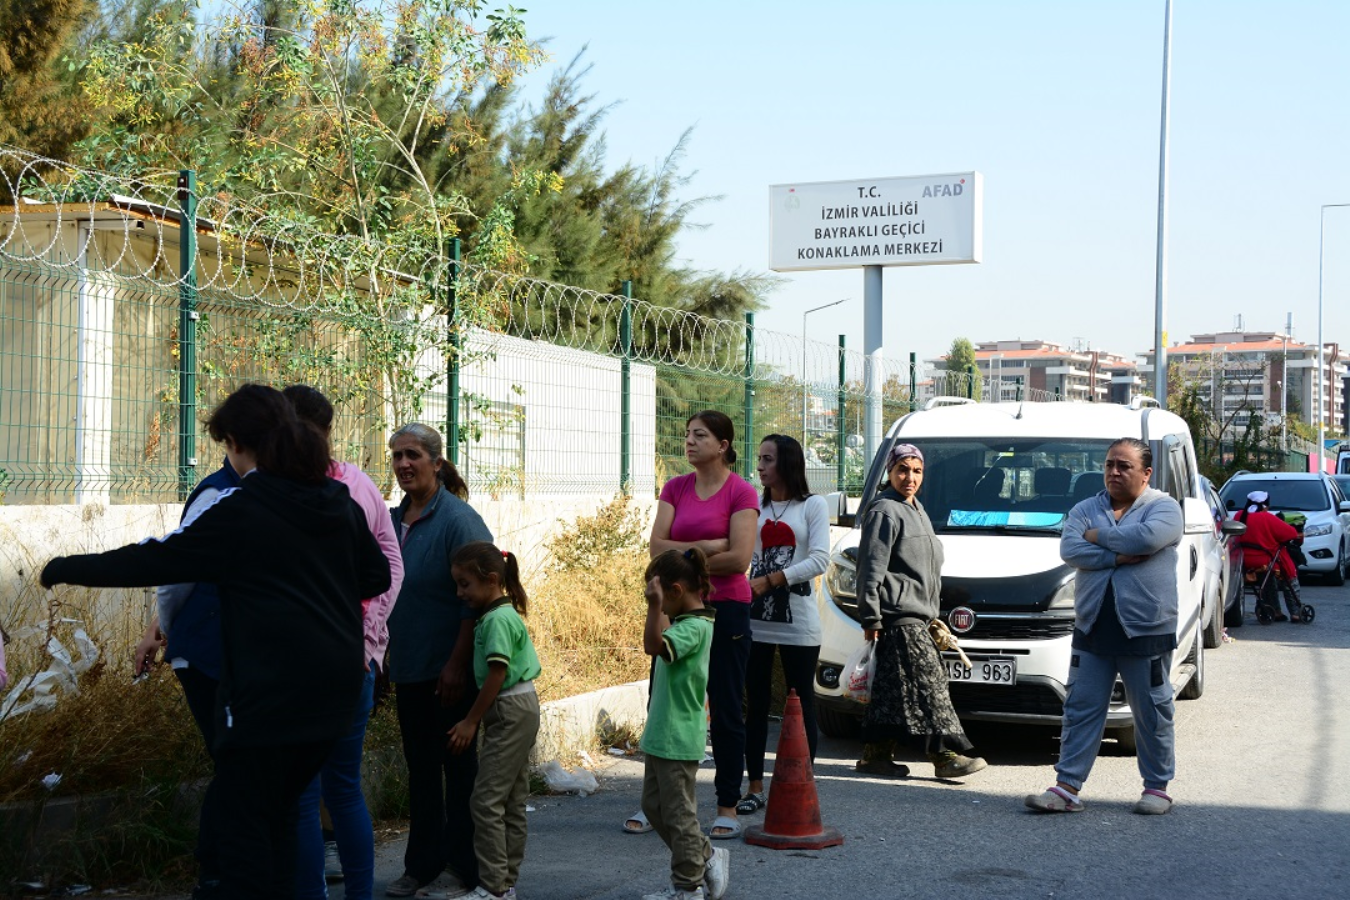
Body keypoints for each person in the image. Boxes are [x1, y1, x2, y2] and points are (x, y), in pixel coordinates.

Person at [40, 383, 391, 898]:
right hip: (334, 697)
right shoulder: (335, 500)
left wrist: (64, 567)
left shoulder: (243, 509)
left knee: (247, 830)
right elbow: (375, 577)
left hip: (267, 700)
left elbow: (157, 558)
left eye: (227, 444)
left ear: (239, 443)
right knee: (280, 819)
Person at [286, 386, 406, 900]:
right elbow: (390, 564)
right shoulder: (357, 483)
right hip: (355, 662)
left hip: (305, 667)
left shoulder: (277, 488)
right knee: (343, 788)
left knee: (305, 794)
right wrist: (370, 637)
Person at [1025, 437, 1183, 816]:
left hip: (1145, 628)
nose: (1114, 471)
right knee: (1081, 707)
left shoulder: (1164, 508)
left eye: (1124, 466)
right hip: (1093, 626)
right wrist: (1117, 556)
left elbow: (1146, 538)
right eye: (1110, 464)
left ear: (1146, 473)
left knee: (1151, 711)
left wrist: (1097, 538)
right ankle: (1066, 788)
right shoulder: (1085, 507)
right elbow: (1070, 549)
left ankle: (1157, 788)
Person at [633, 410, 758, 841]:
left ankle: (726, 804)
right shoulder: (675, 487)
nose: (689, 442)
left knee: (725, 705)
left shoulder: (741, 492)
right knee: (661, 698)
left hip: (728, 610)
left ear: (723, 445)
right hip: (678, 607)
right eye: (687, 434)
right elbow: (657, 552)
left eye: (699, 435)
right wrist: (706, 547)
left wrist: (683, 556)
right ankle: (656, 802)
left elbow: (740, 559)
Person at [385, 423, 493, 898]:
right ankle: (421, 866)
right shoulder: (392, 519)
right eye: (396, 456)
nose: (404, 464)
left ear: (436, 461)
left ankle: (464, 867)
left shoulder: (457, 520)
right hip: (407, 667)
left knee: (459, 771)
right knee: (421, 770)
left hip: (449, 672)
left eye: (412, 455)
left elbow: (477, 598)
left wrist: (455, 664)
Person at [131, 454, 241, 900]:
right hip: (206, 652)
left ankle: (230, 870)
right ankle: (214, 875)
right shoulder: (217, 493)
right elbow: (177, 572)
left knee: (239, 762)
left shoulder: (261, 488)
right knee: (232, 761)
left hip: (228, 652)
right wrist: (166, 632)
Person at [855, 443, 987, 780]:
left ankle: (875, 757)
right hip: (898, 616)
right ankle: (944, 756)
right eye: (903, 470)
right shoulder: (885, 510)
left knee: (891, 689)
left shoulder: (917, 509)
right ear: (890, 471)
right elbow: (870, 568)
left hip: (919, 616)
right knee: (930, 684)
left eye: (916, 471)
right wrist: (870, 616)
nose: (909, 477)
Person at [419, 542, 541, 900]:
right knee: (512, 799)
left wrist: (471, 721)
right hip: (518, 708)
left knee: (485, 801)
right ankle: (505, 884)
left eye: (465, 584)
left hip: (509, 708)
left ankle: (494, 887)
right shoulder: (498, 615)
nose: (460, 593)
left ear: (490, 580)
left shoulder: (497, 620)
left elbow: (497, 673)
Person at [738, 434, 830, 816]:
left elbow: (821, 559)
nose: (759, 466)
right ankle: (755, 787)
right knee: (755, 704)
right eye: (759, 458)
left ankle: (799, 781)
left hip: (799, 620)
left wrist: (773, 579)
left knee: (800, 700)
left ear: (788, 463)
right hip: (755, 618)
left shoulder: (813, 506)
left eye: (768, 459)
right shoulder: (753, 506)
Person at [639, 549, 730, 900]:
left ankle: (688, 887)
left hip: (677, 737)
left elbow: (652, 645)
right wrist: (658, 607)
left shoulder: (694, 628)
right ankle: (704, 853)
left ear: (676, 591)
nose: (660, 607)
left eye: (662, 599)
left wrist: (652, 607)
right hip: (662, 734)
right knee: (654, 807)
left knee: (678, 815)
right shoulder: (683, 623)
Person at [1236, 490, 1306, 622]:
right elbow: (1290, 533)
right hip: (1266, 559)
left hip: (1245, 560)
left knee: (1267, 579)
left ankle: (1275, 610)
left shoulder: (1239, 516)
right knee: (1289, 573)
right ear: (1265, 505)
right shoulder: (1266, 517)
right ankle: (1295, 612)